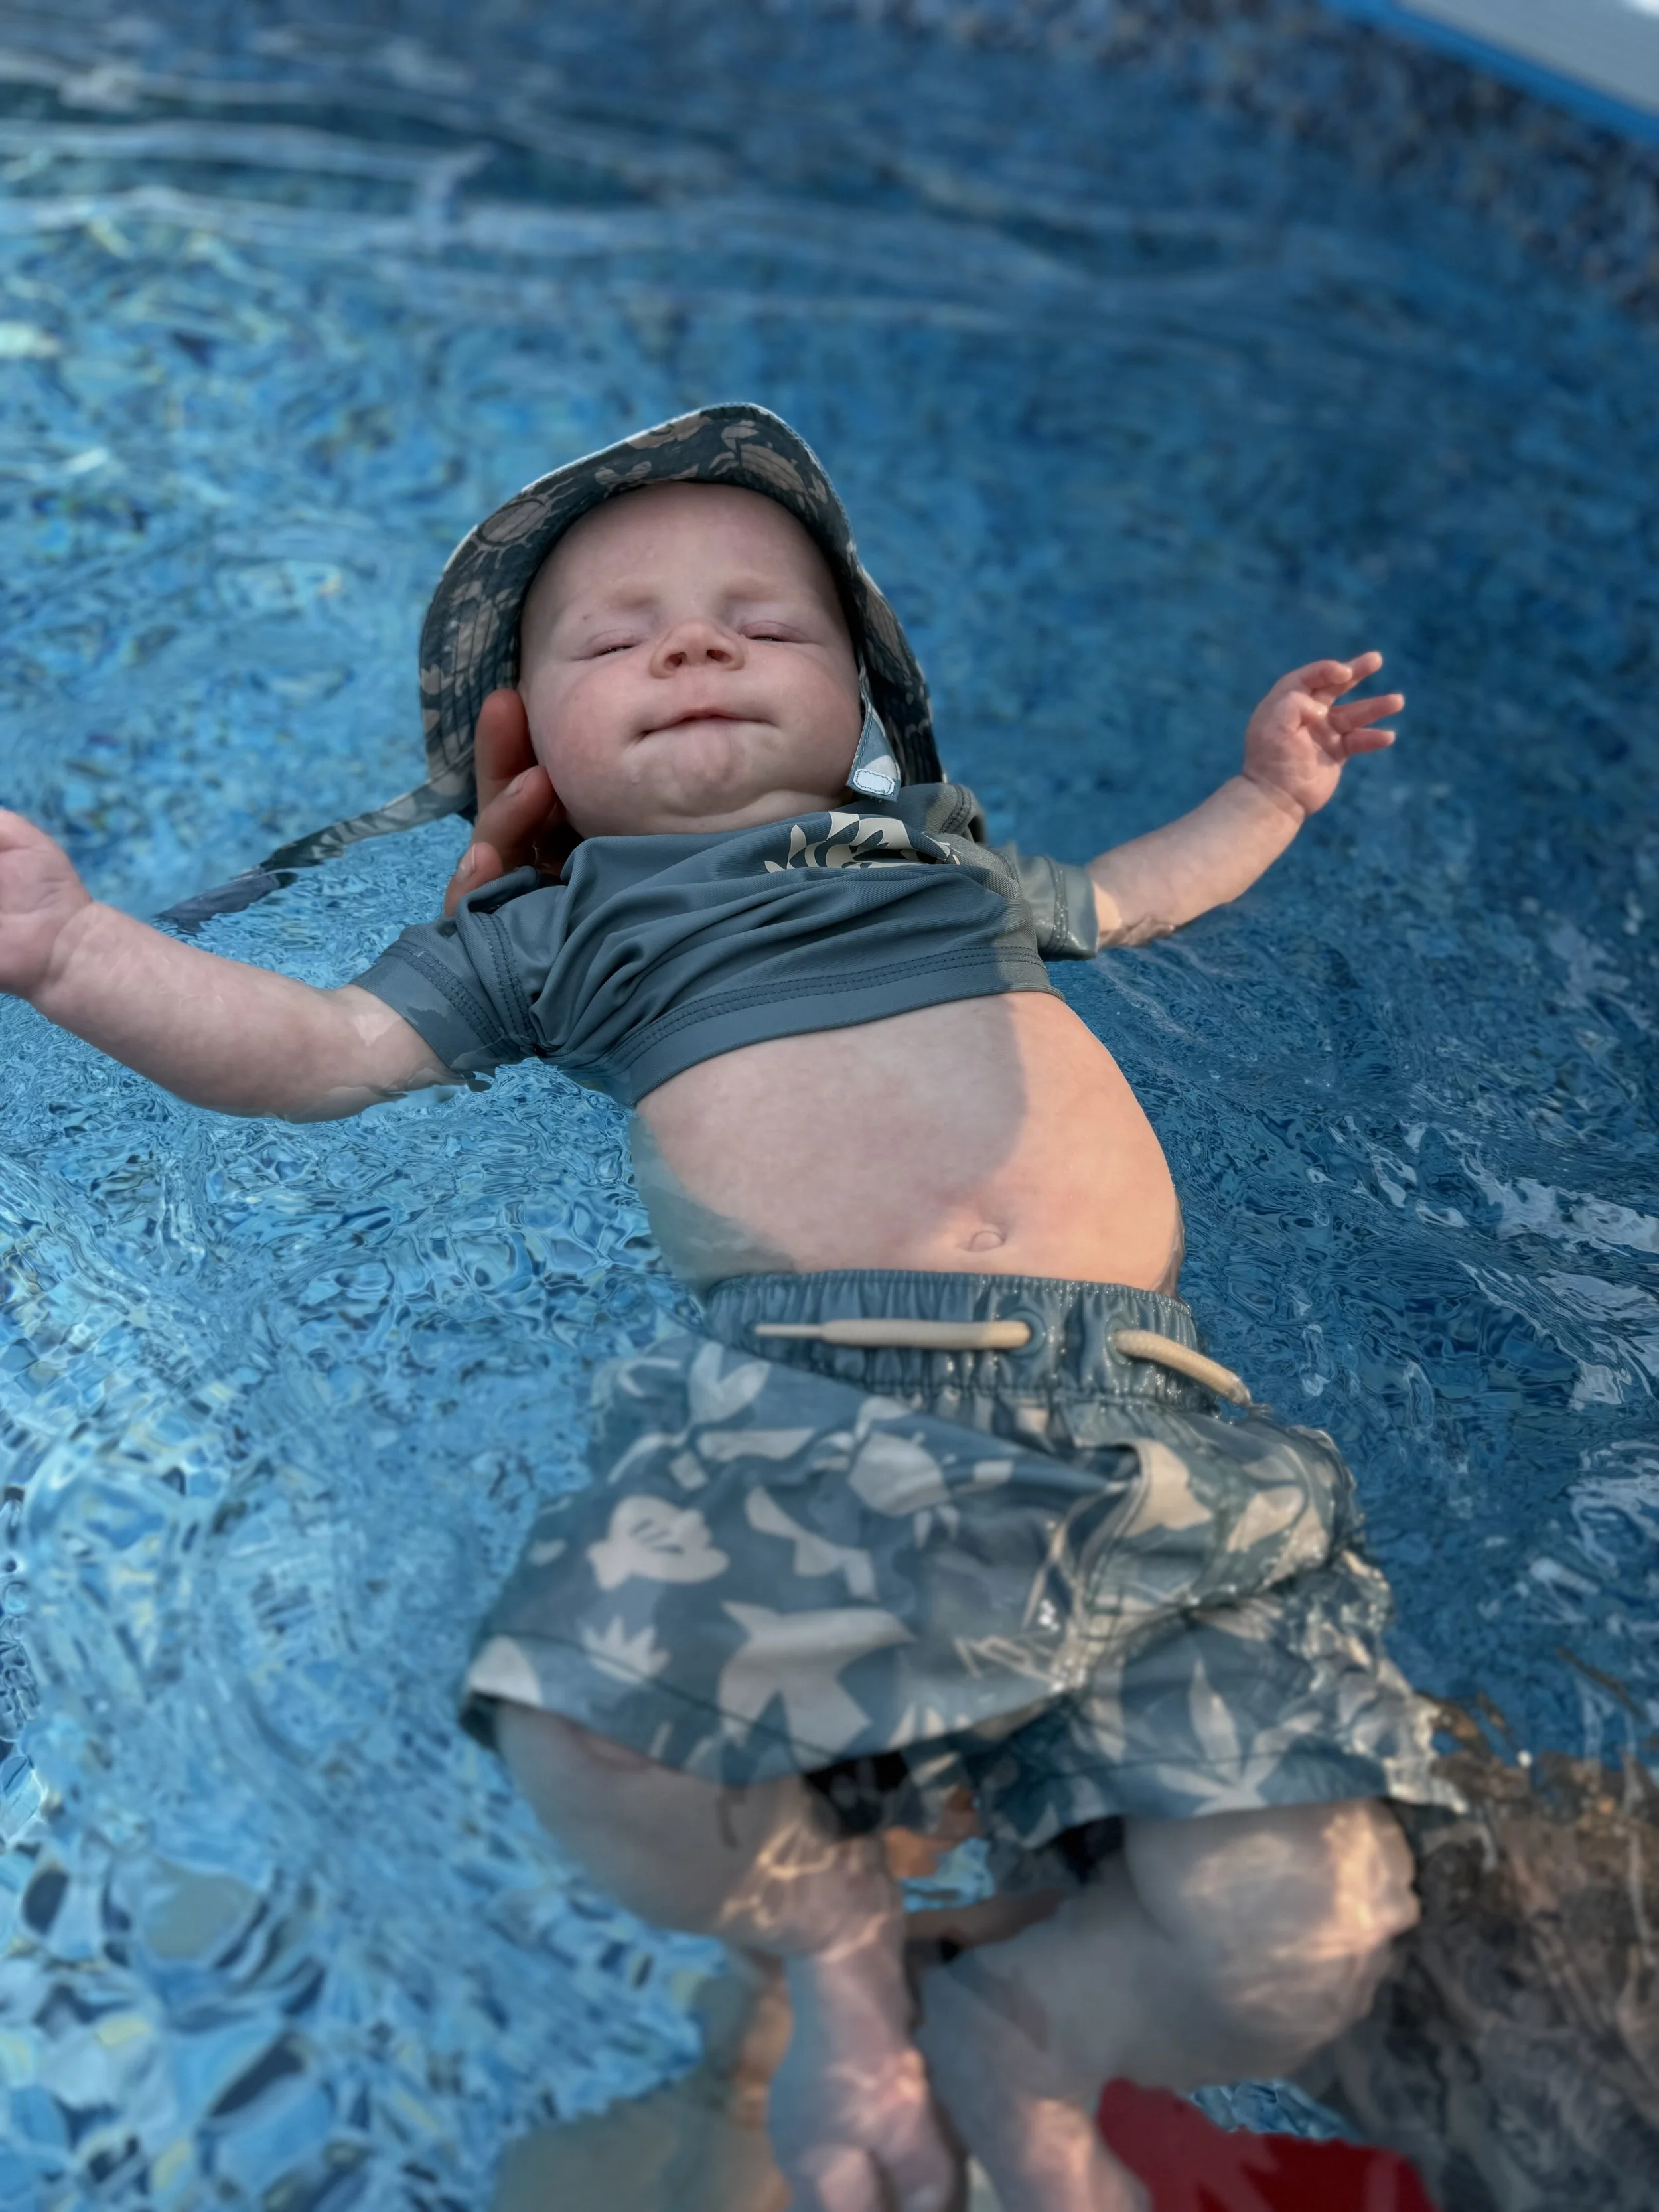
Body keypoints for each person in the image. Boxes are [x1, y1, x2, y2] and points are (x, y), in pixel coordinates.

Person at [0, 407, 1449, 2212]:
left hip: (1154, 1420)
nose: (690, 645)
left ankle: (1028, 2023)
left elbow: (1140, 892)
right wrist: (74, 949)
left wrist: (1266, 794)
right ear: (528, 752)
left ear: (859, 699)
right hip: (828, 1400)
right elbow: (311, 1050)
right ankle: (839, 1959)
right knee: (582, 1710)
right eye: (613, 641)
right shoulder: (574, 927)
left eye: (761, 625)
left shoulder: (946, 869)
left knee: (1297, 1942)